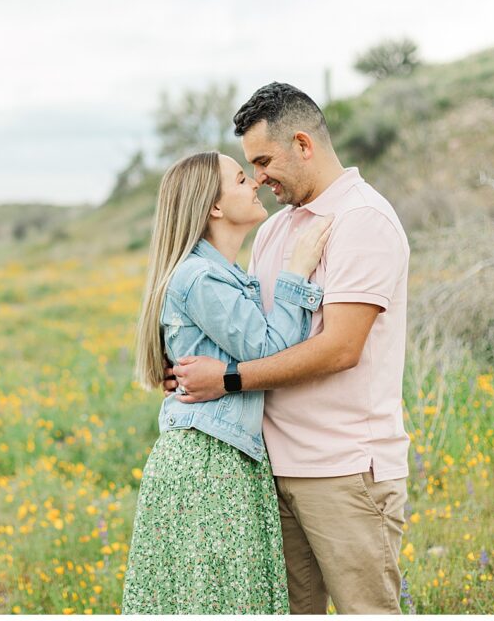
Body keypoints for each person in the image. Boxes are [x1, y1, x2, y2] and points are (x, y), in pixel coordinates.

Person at [164, 82, 411, 615]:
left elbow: (340, 349)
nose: (258, 178)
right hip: (271, 471)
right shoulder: (276, 230)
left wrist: (227, 379)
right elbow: (252, 335)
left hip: (343, 469)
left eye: (264, 160)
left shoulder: (361, 220)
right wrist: (187, 369)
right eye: (249, 167)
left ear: (303, 144)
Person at [122, 150, 333, 614]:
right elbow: (271, 352)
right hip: (207, 463)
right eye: (241, 178)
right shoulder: (201, 279)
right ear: (214, 206)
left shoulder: (221, 275)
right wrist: (297, 272)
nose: (254, 182)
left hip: (222, 457)